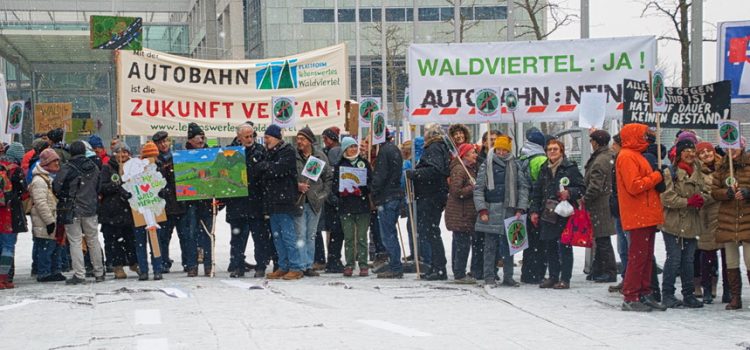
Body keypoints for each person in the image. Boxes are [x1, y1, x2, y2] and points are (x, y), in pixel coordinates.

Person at [615, 123, 665, 312]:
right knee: (638, 257)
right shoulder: (627, 156)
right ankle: (631, 295)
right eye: (644, 135)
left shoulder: (635, 155)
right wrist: (656, 178)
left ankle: (644, 293)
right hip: (638, 214)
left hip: (645, 214)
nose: (648, 138)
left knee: (645, 257)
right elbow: (634, 186)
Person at [659, 139, 708, 308]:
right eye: (686, 151)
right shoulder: (670, 173)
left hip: (692, 223)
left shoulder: (699, 172)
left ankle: (689, 294)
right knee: (674, 259)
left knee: (688, 260)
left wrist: (702, 200)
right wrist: (687, 202)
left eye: (692, 150)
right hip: (673, 223)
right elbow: (666, 198)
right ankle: (667, 294)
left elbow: (706, 192)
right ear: (679, 153)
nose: (690, 154)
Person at [474, 135, 529, 286]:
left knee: (510, 246)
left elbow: (523, 188)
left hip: (510, 210)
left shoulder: (515, 165)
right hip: (491, 209)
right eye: (499, 149)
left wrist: (521, 208)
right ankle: (489, 276)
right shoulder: (487, 164)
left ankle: (508, 276)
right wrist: (482, 209)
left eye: (505, 150)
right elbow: (478, 189)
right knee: (490, 246)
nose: (501, 152)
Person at [530, 139, 584, 290]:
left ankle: (565, 278)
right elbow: (537, 192)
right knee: (550, 245)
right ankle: (553, 276)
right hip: (547, 212)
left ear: (561, 151)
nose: (552, 152)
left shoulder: (570, 168)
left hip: (564, 212)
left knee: (565, 246)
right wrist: (534, 210)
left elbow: (581, 187)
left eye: (555, 149)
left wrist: (570, 192)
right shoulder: (544, 168)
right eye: (549, 149)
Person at [225, 123, 273, 278]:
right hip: (236, 202)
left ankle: (261, 265)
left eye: (252, 135)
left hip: (256, 201)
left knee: (259, 237)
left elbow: (266, 171)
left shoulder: (260, 151)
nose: (250, 139)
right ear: (239, 137)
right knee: (237, 238)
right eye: (246, 136)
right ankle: (238, 266)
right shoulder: (229, 152)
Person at [53, 141, 104, 285]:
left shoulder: (67, 167)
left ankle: (79, 274)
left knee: (75, 241)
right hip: (90, 208)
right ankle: (99, 272)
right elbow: (98, 187)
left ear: (71, 152)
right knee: (93, 240)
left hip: (72, 208)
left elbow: (57, 186)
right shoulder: (94, 167)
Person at [406, 124, 451, 280]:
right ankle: (436, 266)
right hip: (433, 195)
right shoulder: (440, 148)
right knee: (430, 231)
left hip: (430, 196)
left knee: (431, 232)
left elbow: (435, 170)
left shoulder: (434, 148)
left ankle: (438, 267)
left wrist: (415, 174)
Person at [259, 124, 305, 280]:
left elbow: (278, 170)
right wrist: (267, 168)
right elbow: (263, 170)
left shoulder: (287, 151)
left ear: (276, 138)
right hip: (272, 202)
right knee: (278, 237)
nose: (265, 141)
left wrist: (267, 168)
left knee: (288, 236)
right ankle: (283, 266)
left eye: (267, 137)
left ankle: (296, 267)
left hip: (284, 201)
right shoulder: (268, 152)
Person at [710, 136, 750, 310]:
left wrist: (748, 193)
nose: (731, 152)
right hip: (728, 218)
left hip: (747, 217)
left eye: (735, 148)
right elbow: (714, 191)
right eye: (729, 148)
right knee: (731, 261)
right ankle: (735, 297)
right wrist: (726, 193)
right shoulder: (722, 167)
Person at [294, 126, 332, 277]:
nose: (299, 142)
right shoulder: (294, 156)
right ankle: (301, 265)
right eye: (297, 139)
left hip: (315, 202)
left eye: (302, 139)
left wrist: (322, 195)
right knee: (300, 234)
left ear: (309, 141)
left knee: (310, 234)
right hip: (299, 201)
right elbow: (289, 176)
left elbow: (328, 178)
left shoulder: (320, 157)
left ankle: (309, 264)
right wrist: (296, 186)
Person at [98, 141, 138, 279]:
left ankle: (134, 262)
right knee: (113, 241)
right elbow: (102, 187)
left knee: (131, 239)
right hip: (112, 211)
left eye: (125, 152)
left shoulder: (133, 168)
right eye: (119, 151)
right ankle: (117, 266)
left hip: (129, 211)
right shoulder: (107, 168)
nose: (122, 155)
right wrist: (117, 184)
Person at [333, 137, 372, 277]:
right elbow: (334, 186)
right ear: (345, 149)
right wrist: (341, 191)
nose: (354, 149)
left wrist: (362, 190)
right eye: (351, 147)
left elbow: (370, 182)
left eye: (355, 146)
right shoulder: (340, 165)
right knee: (349, 237)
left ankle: (363, 264)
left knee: (361, 237)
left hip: (362, 206)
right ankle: (349, 264)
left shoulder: (363, 162)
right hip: (346, 206)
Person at [695, 141, 728, 304]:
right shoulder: (697, 171)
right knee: (707, 255)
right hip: (707, 218)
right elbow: (702, 195)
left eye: (708, 151)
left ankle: (728, 290)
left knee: (728, 255)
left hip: (725, 216)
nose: (706, 154)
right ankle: (707, 288)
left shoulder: (725, 166)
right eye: (702, 152)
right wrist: (719, 194)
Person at [584, 130, 618, 283]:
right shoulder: (609, 156)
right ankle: (598, 269)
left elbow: (595, 186)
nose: (591, 144)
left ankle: (609, 271)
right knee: (601, 237)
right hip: (607, 201)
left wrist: (585, 198)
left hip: (600, 204)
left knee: (602, 238)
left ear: (596, 142)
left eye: (591, 141)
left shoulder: (600, 160)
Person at [372, 130, 405, 279]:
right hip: (394, 194)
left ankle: (395, 266)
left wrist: (373, 191)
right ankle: (395, 263)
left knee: (388, 234)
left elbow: (380, 175)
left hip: (387, 196)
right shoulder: (394, 149)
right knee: (391, 233)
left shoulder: (384, 151)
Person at [153, 131, 187, 273]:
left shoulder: (178, 158)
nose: (164, 144)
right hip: (163, 205)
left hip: (180, 203)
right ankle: (163, 262)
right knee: (163, 237)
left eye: (165, 141)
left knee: (184, 236)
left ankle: (188, 262)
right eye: (160, 143)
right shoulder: (154, 161)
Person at [183, 123, 215, 277]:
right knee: (191, 234)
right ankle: (192, 265)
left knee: (208, 234)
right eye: (198, 137)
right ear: (191, 140)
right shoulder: (183, 156)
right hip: (190, 202)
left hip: (207, 201)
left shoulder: (211, 154)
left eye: (202, 137)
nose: (201, 140)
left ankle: (209, 265)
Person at [445, 144, 479, 283]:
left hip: (463, 213)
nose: (475, 155)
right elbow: (456, 191)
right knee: (462, 245)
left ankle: (458, 271)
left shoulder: (469, 169)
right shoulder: (459, 169)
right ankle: (459, 273)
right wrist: (472, 187)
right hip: (460, 214)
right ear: (465, 155)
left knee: (460, 243)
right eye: (472, 153)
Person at [30, 149, 65, 282]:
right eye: (54, 161)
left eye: (57, 160)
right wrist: (49, 221)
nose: (57, 163)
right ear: (46, 163)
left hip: (49, 219)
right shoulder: (39, 180)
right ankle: (44, 272)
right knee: (46, 247)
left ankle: (54, 271)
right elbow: (41, 203)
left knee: (53, 246)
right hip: (44, 221)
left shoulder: (47, 177)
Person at [131, 142, 164, 281]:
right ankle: (144, 270)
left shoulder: (161, 168)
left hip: (154, 208)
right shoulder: (135, 169)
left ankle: (157, 269)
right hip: (139, 208)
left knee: (155, 241)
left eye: (153, 156)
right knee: (140, 242)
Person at [519, 127, 548, 284]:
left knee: (528, 243)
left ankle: (527, 273)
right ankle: (537, 273)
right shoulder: (541, 160)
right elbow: (541, 184)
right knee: (539, 242)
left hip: (524, 204)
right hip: (536, 205)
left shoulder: (522, 157)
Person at [0, 143, 28, 289]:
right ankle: (5, 278)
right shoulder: (16, 170)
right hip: (10, 212)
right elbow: (23, 192)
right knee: (8, 246)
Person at [319, 126, 343, 272]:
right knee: (336, 231)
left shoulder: (329, 154)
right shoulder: (322, 154)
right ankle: (333, 259)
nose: (325, 142)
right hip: (331, 198)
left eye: (326, 139)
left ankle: (332, 259)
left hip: (332, 198)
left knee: (335, 231)